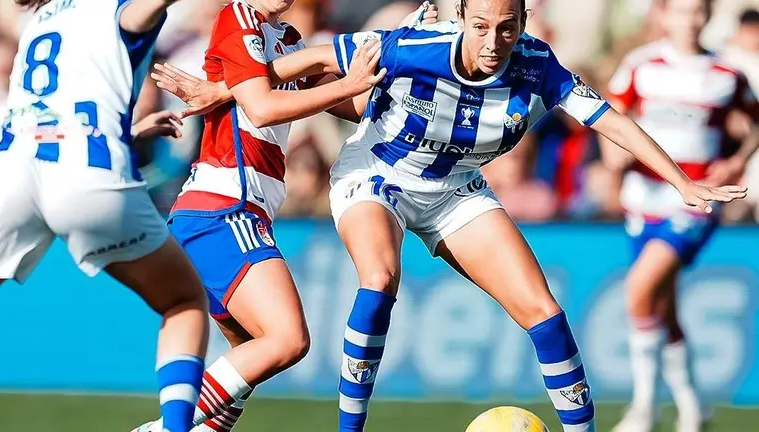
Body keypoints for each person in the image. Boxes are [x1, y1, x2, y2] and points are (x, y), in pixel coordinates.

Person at [152, 1, 747, 430]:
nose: (492, 41)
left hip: (455, 189)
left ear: (524, 22)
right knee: (377, 280)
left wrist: (681, 180)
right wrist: (226, 91)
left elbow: (610, 121)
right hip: (375, 174)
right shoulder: (412, 46)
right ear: (461, 17)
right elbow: (304, 60)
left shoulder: (539, 67)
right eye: (482, 25)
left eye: (507, 27)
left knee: (544, 312)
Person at [132, 1, 439, 432]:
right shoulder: (238, 16)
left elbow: (350, 104)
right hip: (222, 207)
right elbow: (260, 106)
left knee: (251, 359)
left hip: (239, 213)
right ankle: (165, 427)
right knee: (287, 339)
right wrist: (341, 77)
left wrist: (406, 61)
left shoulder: (289, 38)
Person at [0, 1, 212, 431]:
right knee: (183, 302)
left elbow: (53, 114)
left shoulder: (40, 18)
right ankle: (177, 427)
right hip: (86, 174)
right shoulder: (118, 9)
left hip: (8, 172)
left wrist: (125, 131)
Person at [602, 0, 759, 431]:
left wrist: (737, 159)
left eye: (697, 11)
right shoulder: (641, 65)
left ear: (707, 17)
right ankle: (693, 406)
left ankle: (643, 408)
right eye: (681, 11)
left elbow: (756, 122)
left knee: (639, 287)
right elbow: (606, 118)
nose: (689, 20)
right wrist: (611, 164)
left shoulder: (726, 74)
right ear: (663, 14)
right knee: (661, 306)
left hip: (696, 200)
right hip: (643, 199)